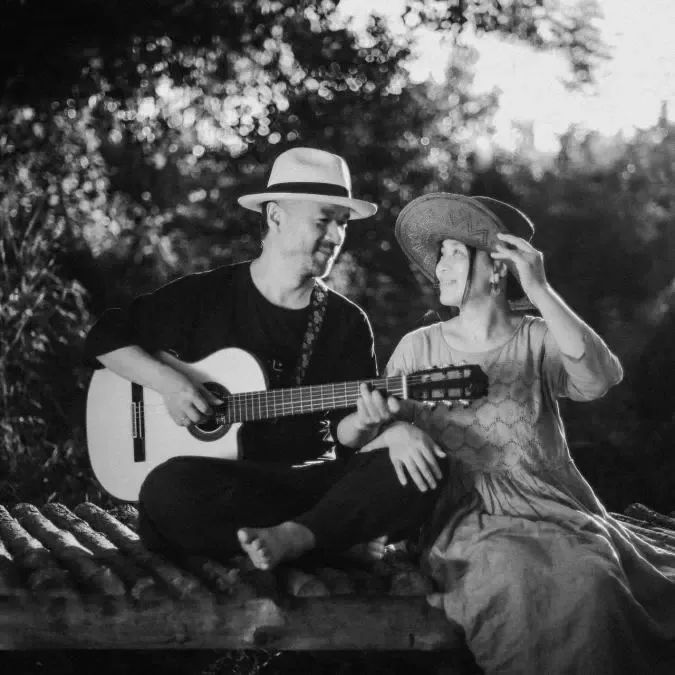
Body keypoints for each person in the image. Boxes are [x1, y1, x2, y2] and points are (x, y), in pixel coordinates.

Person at [357, 192, 674, 673]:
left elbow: (600, 378)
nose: (440, 267)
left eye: (456, 253)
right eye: (440, 255)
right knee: (510, 578)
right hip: (463, 517)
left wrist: (540, 289)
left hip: (552, 506)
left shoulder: (538, 337)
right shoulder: (417, 347)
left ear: (498, 268)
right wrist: (393, 431)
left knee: (593, 579)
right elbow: (375, 441)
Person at [83, 147, 442, 568]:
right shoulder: (207, 295)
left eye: (342, 223)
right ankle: (328, 535)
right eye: (323, 220)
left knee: (421, 469)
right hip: (224, 485)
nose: (336, 237)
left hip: (302, 485)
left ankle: (297, 536)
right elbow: (104, 335)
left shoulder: (345, 322)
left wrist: (373, 425)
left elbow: (347, 441)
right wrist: (169, 383)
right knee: (166, 490)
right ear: (275, 216)